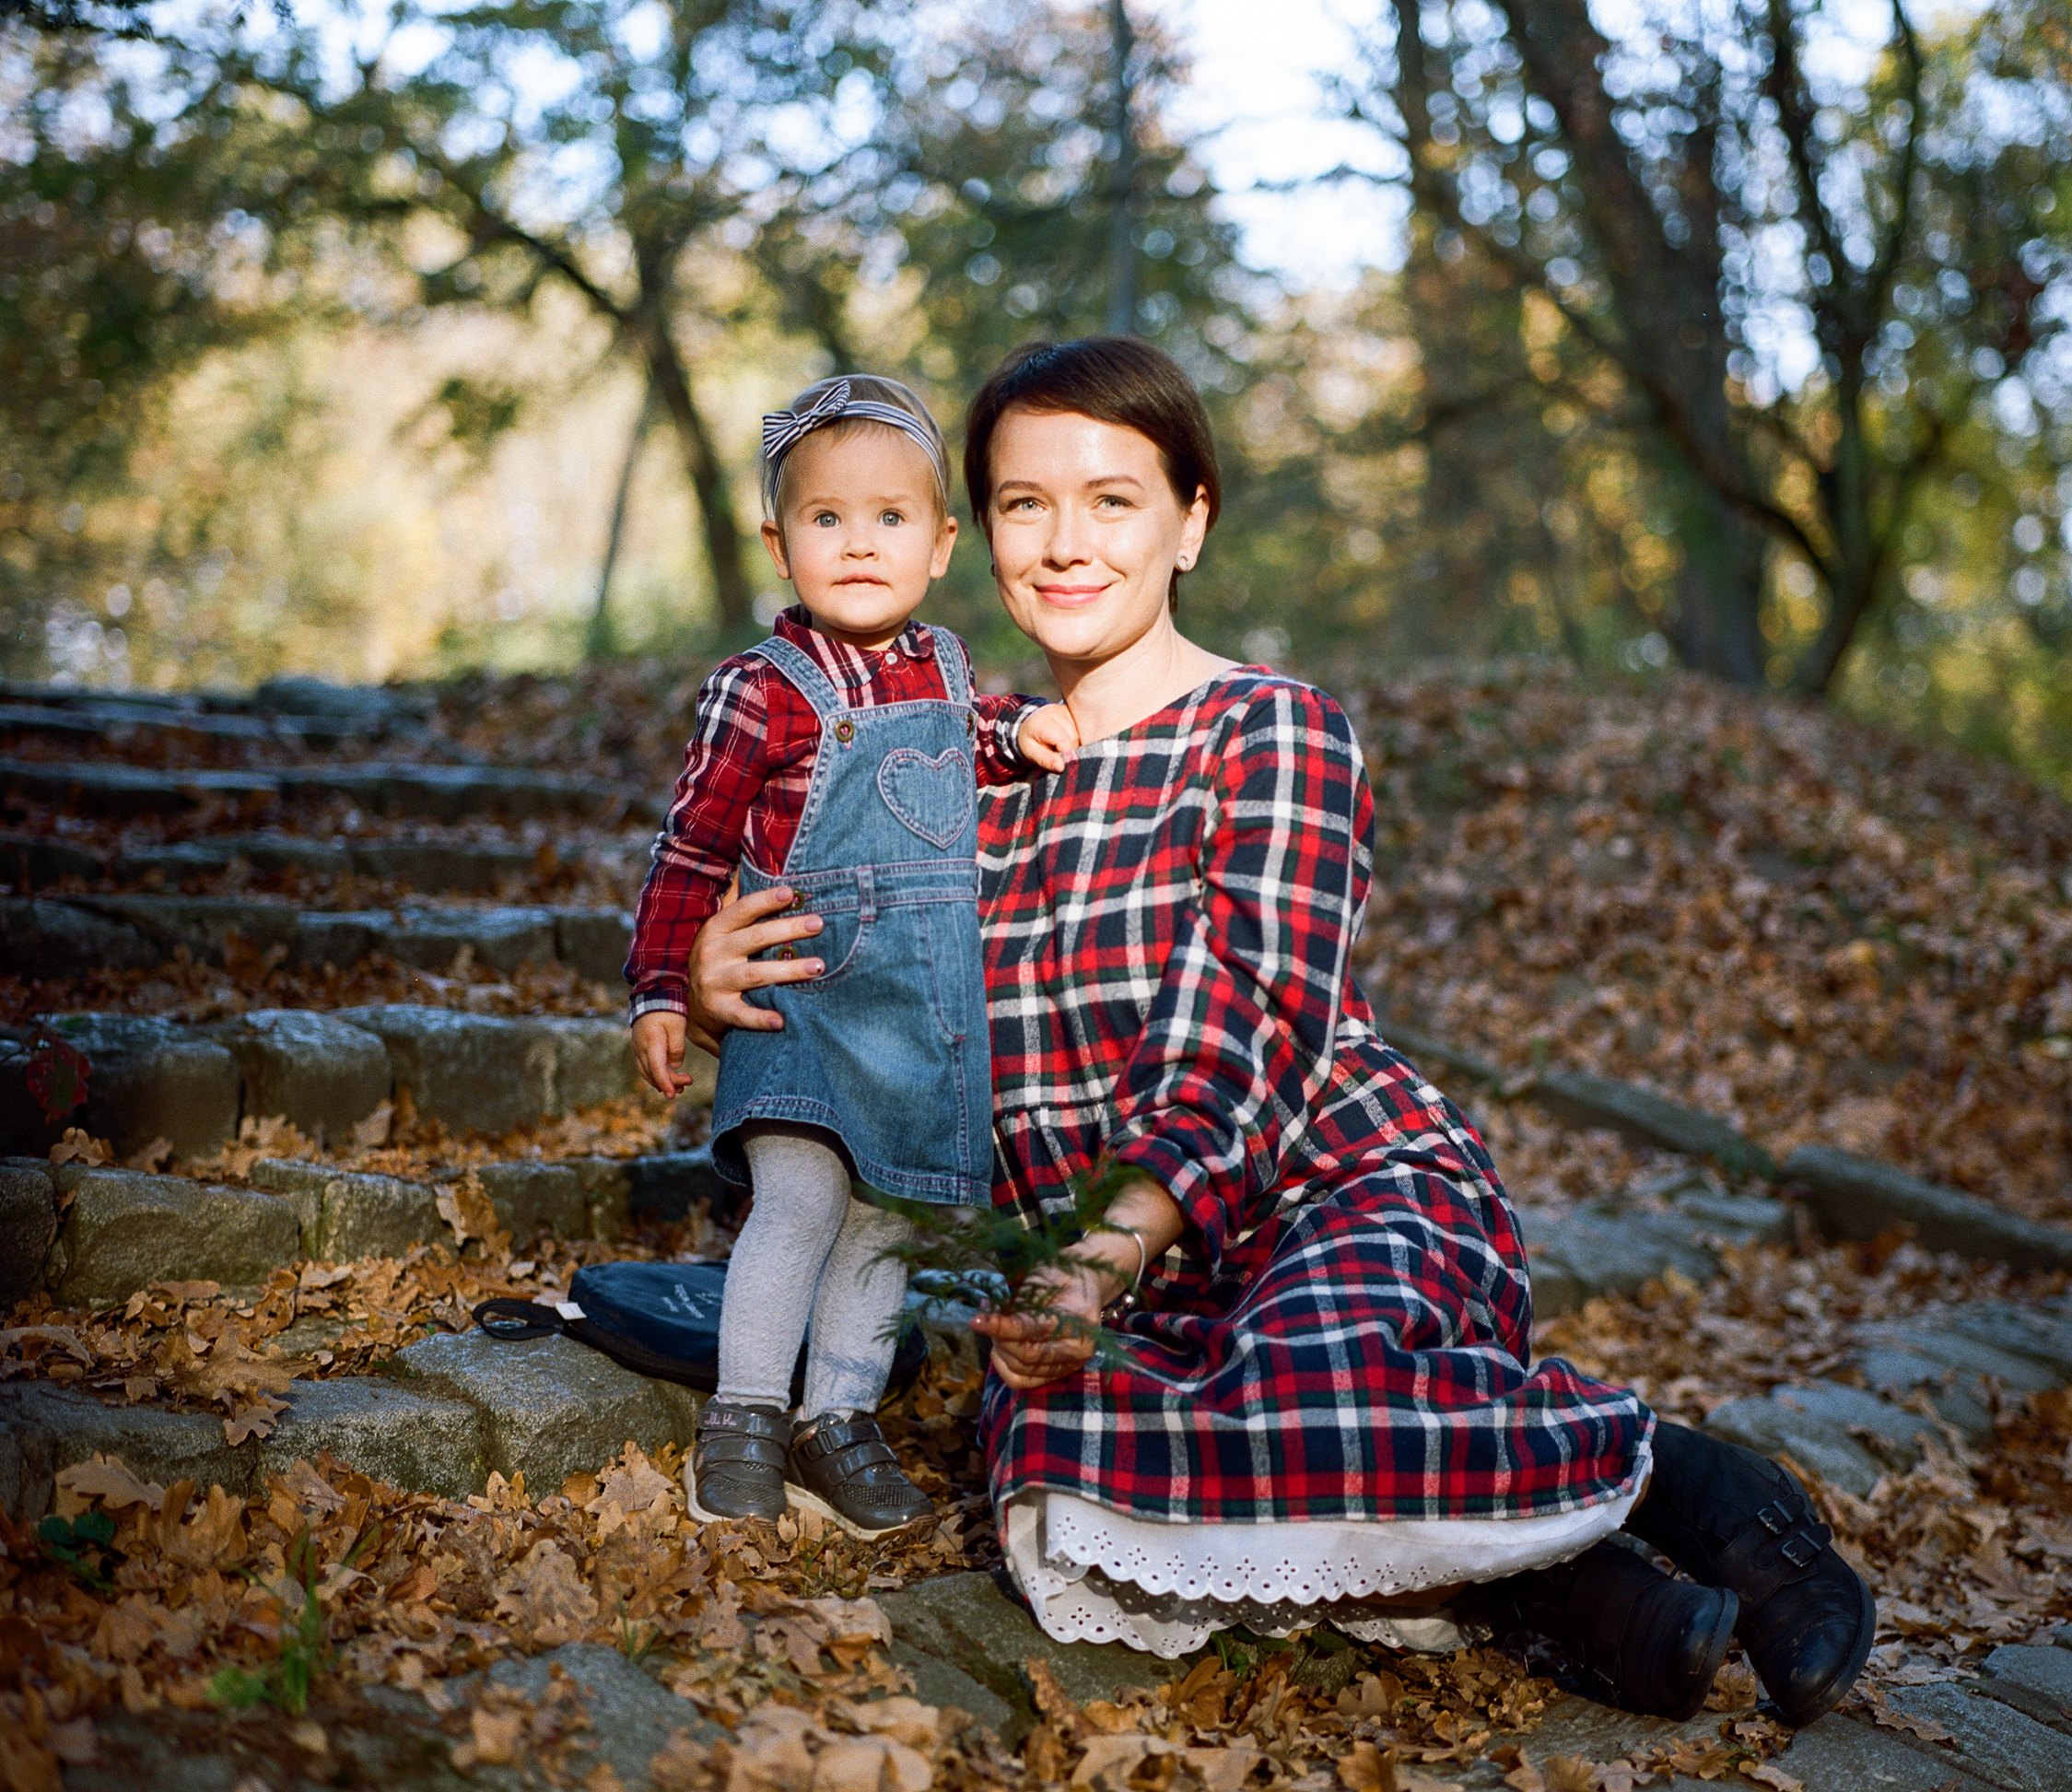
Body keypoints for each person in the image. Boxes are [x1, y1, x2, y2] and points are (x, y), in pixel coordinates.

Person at [682, 340, 1876, 1726]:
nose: (1065, 543)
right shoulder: (951, 775)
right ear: (978, 532)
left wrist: (1102, 1252)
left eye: (1113, 499)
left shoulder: (1272, 728)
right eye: (1024, 502)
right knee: (1063, 1488)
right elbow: (866, 1038)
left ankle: (1687, 1486)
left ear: (1192, 520)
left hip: (1314, 1186)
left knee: (1323, 1375)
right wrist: (733, 988)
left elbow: (1245, 1025)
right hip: (1105, 1278)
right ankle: (1559, 1583)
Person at [626, 372, 1077, 1538]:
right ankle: (743, 1416)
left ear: (938, 545)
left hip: (920, 1013)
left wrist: (1024, 733)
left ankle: (839, 1416)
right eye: (827, 519)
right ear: (781, 545)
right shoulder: (760, 691)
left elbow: (975, 744)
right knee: (799, 1199)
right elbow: (690, 844)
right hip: (806, 1004)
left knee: (888, 1219)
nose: (859, 543)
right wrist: (661, 985)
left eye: (890, 519)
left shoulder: (950, 672)